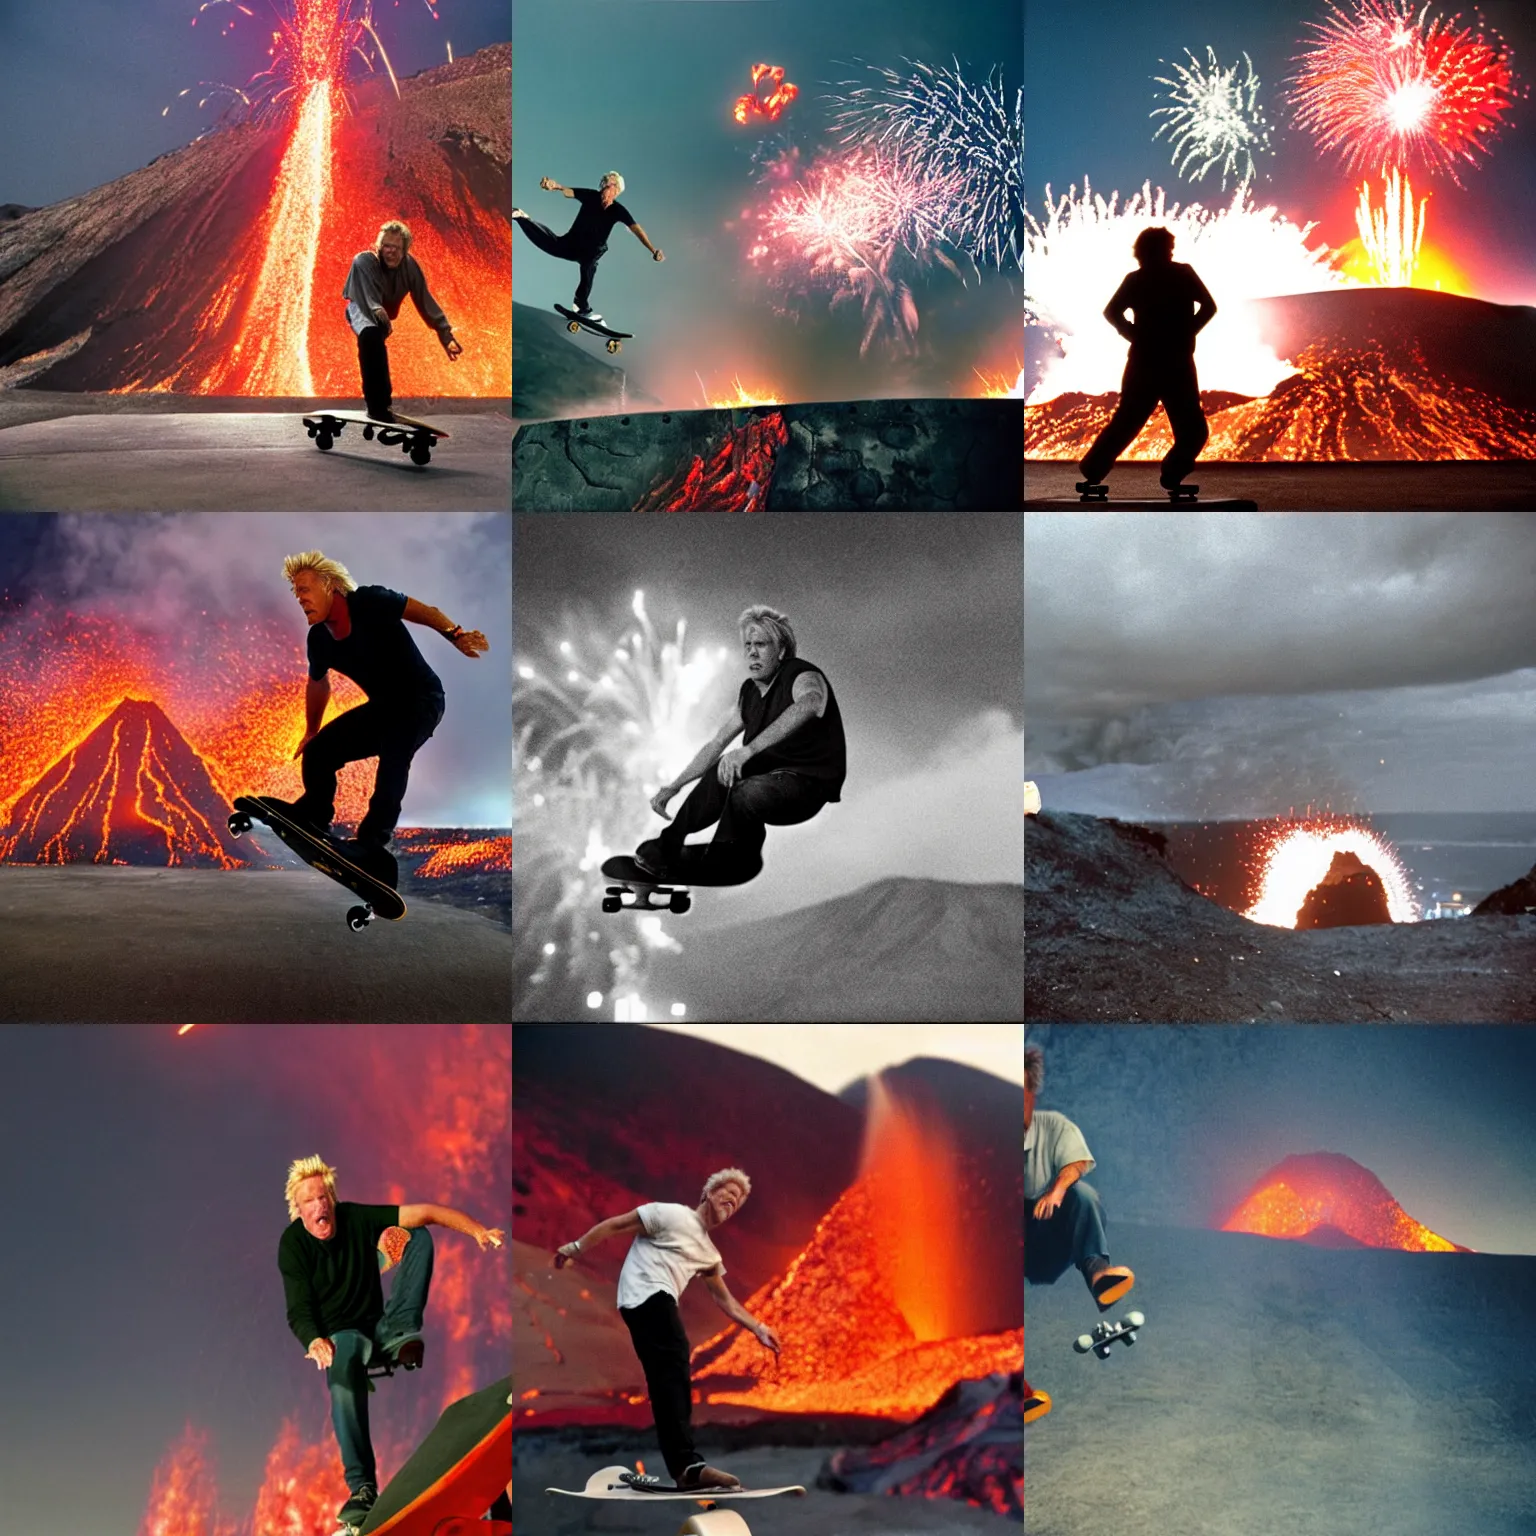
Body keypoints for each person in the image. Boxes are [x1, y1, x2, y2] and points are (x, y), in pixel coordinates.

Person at [277, 1154, 506, 1533]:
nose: (319, 1207)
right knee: (340, 1373)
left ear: (332, 1199)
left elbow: (427, 1212)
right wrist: (313, 1339)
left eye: (323, 1198)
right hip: (342, 1339)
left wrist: (477, 1231)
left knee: (417, 1235)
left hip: (381, 1327)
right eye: (309, 1202)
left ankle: (403, 1332)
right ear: (298, 1210)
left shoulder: (354, 1217)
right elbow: (298, 1308)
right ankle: (363, 1488)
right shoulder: (293, 1246)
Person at [553, 1169, 780, 1492]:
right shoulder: (670, 1214)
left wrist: (759, 1328)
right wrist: (576, 1248)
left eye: (739, 1200)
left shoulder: (709, 1254)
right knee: (674, 1358)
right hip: (645, 1295)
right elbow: (615, 1225)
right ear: (708, 1194)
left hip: (652, 1304)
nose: (733, 1199)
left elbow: (724, 1299)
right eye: (728, 1192)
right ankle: (686, 1465)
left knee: (670, 1378)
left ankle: (684, 1466)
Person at [276, 550, 489, 889]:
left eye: (304, 589)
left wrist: (455, 633)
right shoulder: (318, 639)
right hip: (383, 709)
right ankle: (315, 816)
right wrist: (311, 731)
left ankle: (373, 844)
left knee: (395, 753)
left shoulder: (370, 601)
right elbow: (318, 684)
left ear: (331, 586)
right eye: (296, 593)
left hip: (422, 700)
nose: (300, 599)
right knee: (318, 753)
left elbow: (422, 611)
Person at [633, 605, 844, 883]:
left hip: (806, 788)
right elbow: (716, 743)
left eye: (761, 645)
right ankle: (669, 843)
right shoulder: (749, 693)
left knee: (745, 791)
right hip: (769, 781)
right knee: (725, 766)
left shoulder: (800, 675)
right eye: (748, 645)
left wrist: (750, 749)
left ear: (780, 651)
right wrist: (674, 786)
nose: (752, 653)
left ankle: (731, 855)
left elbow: (810, 703)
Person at [1077, 225, 1216, 493]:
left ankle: (1093, 471)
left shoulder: (1137, 279)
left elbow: (1111, 312)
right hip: (1176, 363)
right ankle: (1172, 473)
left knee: (1127, 421)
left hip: (1145, 361)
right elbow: (1209, 307)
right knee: (1192, 430)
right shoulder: (1182, 274)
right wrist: (1187, 332)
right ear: (1166, 249)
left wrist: (1134, 335)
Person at [1025, 1045, 1134, 1310]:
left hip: (1047, 1233)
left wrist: (1057, 1191)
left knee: (1084, 1195)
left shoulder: (1053, 1126)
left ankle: (1099, 1275)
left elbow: (1077, 1161)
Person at [342, 220, 463, 423]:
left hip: (383, 313)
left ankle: (382, 404)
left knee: (377, 338)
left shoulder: (410, 267)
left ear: (405, 250)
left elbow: (425, 300)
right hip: (361, 306)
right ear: (379, 247)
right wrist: (378, 312)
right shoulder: (363, 262)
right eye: (386, 247)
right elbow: (368, 299)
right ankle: (377, 406)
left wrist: (446, 336)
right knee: (371, 338)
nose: (390, 252)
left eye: (396, 248)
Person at [512, 171, 664, 323]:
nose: (603, 186)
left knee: (589, 267)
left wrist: (652, 249)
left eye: (608, 184)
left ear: (616, 190)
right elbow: (569, 191)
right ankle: (522, 218)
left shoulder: (618, 210)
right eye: (603, 183)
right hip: (572, 243)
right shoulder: (591, 196)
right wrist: (554, 186)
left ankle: (580, 305)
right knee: (551, 244)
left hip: (591, 251)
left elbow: (636, 229)